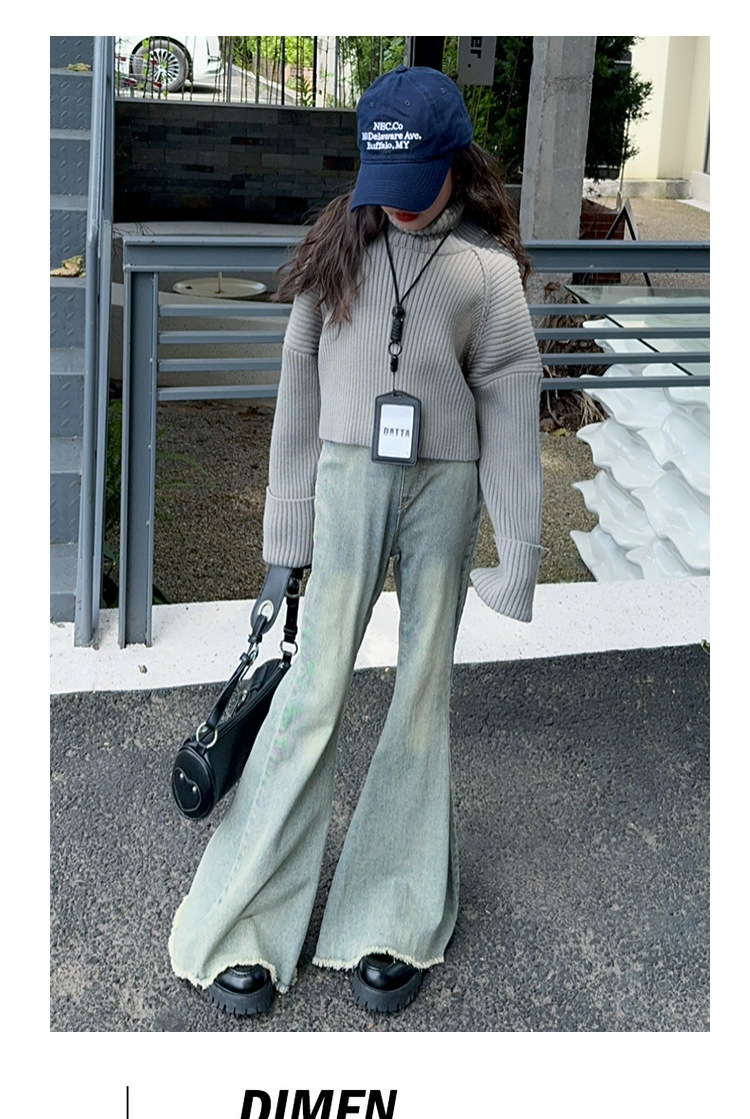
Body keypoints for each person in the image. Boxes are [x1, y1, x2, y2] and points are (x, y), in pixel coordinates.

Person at [169, 65, 543, 1018]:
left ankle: (392, 909)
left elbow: (510, 398)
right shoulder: (337, 247)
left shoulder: (487, 274)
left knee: (422, 690)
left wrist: (519, 547)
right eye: (388, 182)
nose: (400, 205)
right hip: (345, 480)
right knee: (312, 687)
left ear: (455, 165)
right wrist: (285, 530)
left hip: (444, 487)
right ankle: (243, 918)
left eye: (417, 181)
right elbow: (298, 384)